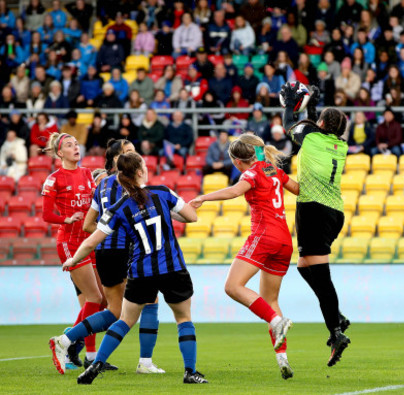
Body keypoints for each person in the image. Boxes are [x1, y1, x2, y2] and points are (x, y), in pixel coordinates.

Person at [54, 152, 207, 385]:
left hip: (141, 272)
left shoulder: (119, 208)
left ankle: (95, 366)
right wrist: (175, 212)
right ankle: (190, 372)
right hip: (172, 267)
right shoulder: (163, 193)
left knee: (124, 320)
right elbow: (191, 217)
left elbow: (92, 240)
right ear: (139, 172)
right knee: (183, 318)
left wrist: (73, 260)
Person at [50, 140, 165, 375]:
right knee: (150, 301)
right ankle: (145, 362)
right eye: (130, 152)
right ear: (118, 159)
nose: (136, 156)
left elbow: (89, 224)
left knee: (114, 311)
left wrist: (108, 235)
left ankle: (66, 339)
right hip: (127, 251)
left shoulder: (100, 186)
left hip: (104, 252)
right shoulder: (129, 184)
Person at [190, 134, 298, 379]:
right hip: (284, 241)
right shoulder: (272, 170)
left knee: (232, 286)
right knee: (270, 300)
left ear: (238, 161)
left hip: (264, 235)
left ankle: (276, 322)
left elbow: (234, 192)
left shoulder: (250, 174)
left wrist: (203, 197)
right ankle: (282, 358)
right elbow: (297, 189)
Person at [280, 82, 351, 366]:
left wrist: (291, 105)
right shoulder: (341, 145)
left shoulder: (310, 138)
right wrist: (311, 105)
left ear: (321, 124)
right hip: (334, 212)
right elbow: (314, 126)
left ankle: (336, 331)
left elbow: (289, 124)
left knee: (322, 278)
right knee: (304, 267)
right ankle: (337, 319)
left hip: (314, 210)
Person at [42, 133, 108, 373]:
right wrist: (66, 218)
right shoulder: (54, 179)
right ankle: (72, 346)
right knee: (94, 298)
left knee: (100, 299)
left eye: (76, 144)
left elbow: (94, 204)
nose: (75, 148)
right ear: (60, 153)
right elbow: (46, 215)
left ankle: (72, 342)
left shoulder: (88, 174)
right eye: (69, 145)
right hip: (70, 242)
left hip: (89, 240)